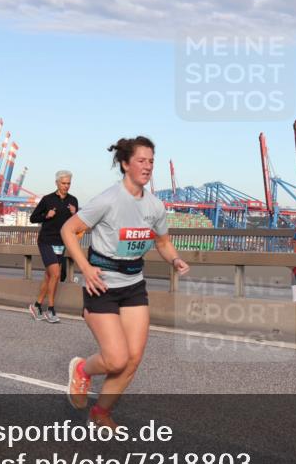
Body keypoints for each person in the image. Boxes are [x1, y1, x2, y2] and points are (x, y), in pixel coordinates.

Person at [61, 137, 189, 428]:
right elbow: (69, 230)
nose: (147, 166)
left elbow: (163, 242)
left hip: (133, 285)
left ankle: (101, 413)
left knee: (132, 360)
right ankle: (81, 369)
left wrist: (175, 260)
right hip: (102, 286)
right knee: (116, 359)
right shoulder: (107, 200)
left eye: (151, 161)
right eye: (141, 161)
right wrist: (85, 267)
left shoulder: (155, 206)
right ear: (125, 164)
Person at [28, 170, 79, 324]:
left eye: (69, 183)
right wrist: (46, 216)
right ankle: (50, 310)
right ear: (57, 183)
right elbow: (33, 218)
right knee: (56, 274)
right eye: (63, 183)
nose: (66, 186)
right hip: (46, 241)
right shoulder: (47, 199)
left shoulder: (73, 201)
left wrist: (75, 213)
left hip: (61, 242)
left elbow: (77, 222)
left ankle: (36, 306)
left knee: (49, 276)